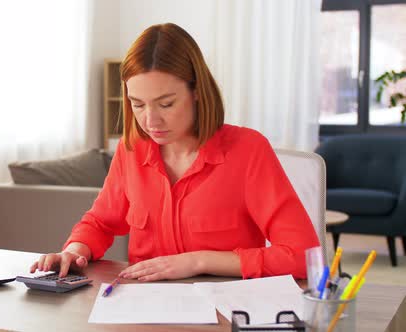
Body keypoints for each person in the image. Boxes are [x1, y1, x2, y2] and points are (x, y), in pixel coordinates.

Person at [30, 23, 319, 281]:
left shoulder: (248, 150)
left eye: (166, 104)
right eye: (138, 104)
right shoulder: (131, 151)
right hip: (145, 310)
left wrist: (198, 261)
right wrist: (74, 250)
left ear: (197, 91)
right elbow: (101, 222)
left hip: (223, 311)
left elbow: (303, 258)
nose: (150, 121)